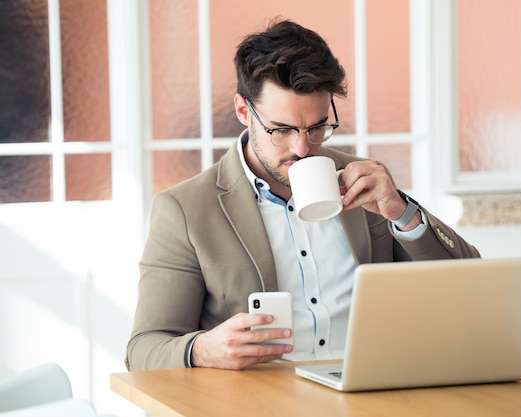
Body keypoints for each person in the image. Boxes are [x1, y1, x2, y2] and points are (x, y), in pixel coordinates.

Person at [126, 19, 480, 371]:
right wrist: (202, 350)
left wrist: (402, 213)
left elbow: (470, 286)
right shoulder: (185, 209)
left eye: (317, 127)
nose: (302, 148)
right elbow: (144, 350)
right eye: (282, 130)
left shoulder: (366, 180)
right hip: (260, 402)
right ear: (243, 110)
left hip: (370, 393)